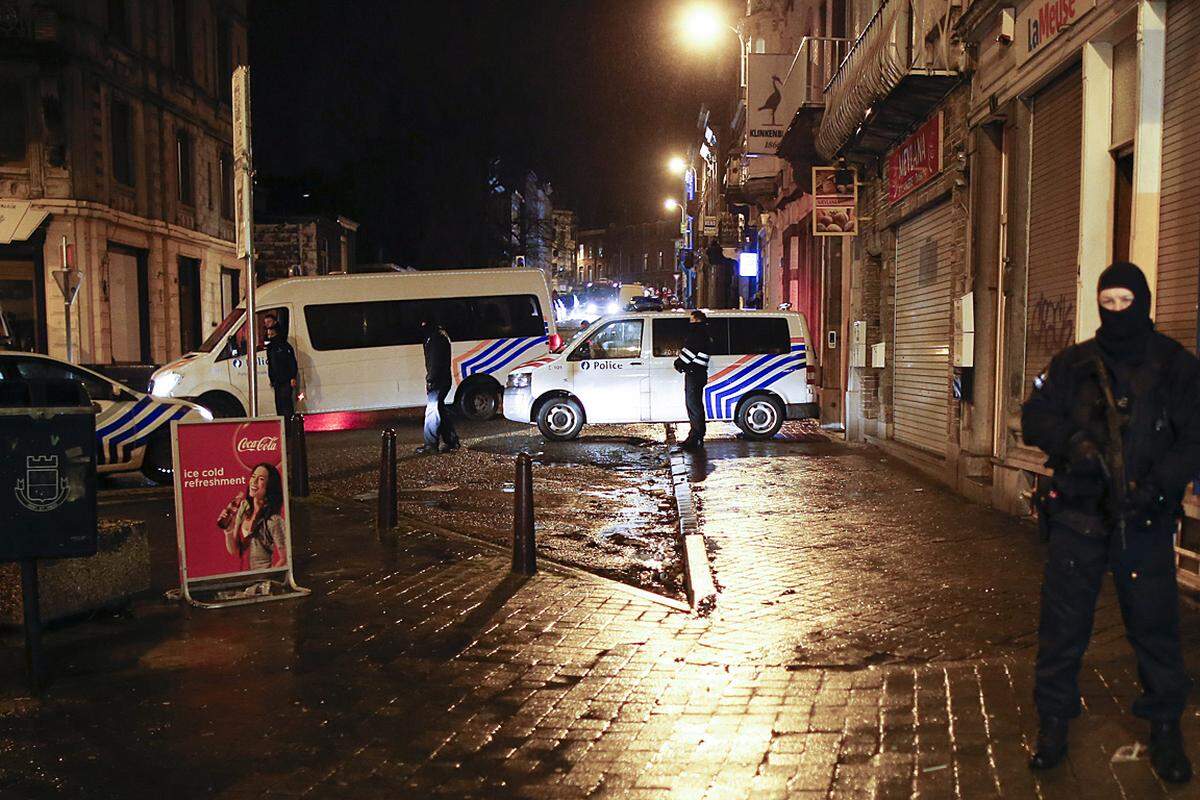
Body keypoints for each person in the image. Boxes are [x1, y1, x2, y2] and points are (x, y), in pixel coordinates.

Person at [1022, 261, 1200, 783]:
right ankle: (1052, 725)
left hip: (1144, 521)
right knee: (1062, 630)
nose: (1118, 312)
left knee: (1156, 632)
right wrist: (1072, 443)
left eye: (1126, 302)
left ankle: (1166, 731)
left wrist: (1157, 486)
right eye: (1110, 302)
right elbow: (1036, 416)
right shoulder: (1074, 363)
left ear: (1142, 302)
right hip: (1079, 518)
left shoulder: (1175, 366)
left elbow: (1193, 439)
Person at [216, 462, 287, 571]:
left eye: (261, 479)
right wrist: (228, 531)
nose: (253, 482)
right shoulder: (244, 508)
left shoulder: (273, 520)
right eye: (253, 476)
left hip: (261, 578)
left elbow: (284, 559)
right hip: (245, 576)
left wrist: (265, 578)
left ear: (270, 485)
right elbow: (235, 550)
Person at [416, 317, 459, 454]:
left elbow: (435, 362)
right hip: (442, 379)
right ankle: (451, 441)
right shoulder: (439, 335)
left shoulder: (436, 338)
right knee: (439, 409)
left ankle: (431, 445)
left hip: (438, 380)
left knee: (432, 412)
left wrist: (430, 380)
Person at [673, 309, 712, 450]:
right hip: (698, 373)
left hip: (695, 374)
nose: (690, 322)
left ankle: (695, 438)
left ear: (696, 320)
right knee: (695, 405)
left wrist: (679, 363)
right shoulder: (703, 333)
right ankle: (696, 436)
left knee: (693, 406)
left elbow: (689, 351)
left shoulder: (697, 333)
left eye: (691, 319)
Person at [264, 314, 298, 417]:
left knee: (286, 404)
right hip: (277, 381)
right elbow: (271, 364)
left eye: (269, 322)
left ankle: (290, 426)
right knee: (279, 404)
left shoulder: (283, 345)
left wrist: (292, 376)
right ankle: (284, 426)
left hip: (286, 379)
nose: (267, 325)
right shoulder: (270, 347)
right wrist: (272, 379)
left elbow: (291, 361)